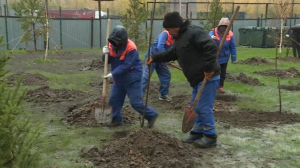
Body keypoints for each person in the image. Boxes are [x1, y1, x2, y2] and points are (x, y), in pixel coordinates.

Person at [147, 12, 220, 148]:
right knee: (194, 106)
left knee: (203, 107)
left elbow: (210, 47)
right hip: (197, 79)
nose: (168, 32)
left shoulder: (194, 32)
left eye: (168, 29)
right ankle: (197, 132)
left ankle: (210, 136)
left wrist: (208, 69)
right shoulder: (179, 38)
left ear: (175, 26)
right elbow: (172, 53)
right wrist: (155, 57)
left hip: (208, 77)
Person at [102, 25, 158, 127]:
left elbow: (127, 65)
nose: (116, 43)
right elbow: (107, 60)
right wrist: (105, 53)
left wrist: (113, 73)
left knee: (135, 102)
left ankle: (152, 115)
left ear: (123, 40)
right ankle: (116, 120)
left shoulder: (131, 48)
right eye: (114, 41)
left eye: (118, 41)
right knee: (114, 100)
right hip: (119, 79)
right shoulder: (111, 45)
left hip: (132, 78)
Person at [142, 30, 174, 101]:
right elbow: (160, 47)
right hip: (151, 56)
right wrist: (166, 58)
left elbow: (174, 51)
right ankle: (139, 97)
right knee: (146, 77)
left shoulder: (176, 38)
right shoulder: (165, 34)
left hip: (161, 59)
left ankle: (163, 95)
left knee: (166, 76)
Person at [209, 17, 237, 93]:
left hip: (224, 57)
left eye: (225, 27)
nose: (223, 29)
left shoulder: (230, 34)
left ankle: (220, 86)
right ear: (219, 26)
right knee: (214, 72)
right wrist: (212, 37)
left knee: (223, 73)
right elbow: (208, 36)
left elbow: (233, 46)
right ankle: (213, 86)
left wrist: (233, 57)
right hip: (215, 57)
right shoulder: (213, 32)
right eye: (222, 27)